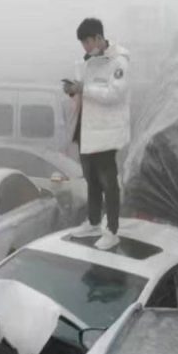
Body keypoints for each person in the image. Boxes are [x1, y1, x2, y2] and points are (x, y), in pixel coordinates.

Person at [62, 17, 130, 250]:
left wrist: (85, 89)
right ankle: (93, 221)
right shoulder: (86, 62)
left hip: (105, 133)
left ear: (99, 38)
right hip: (86, 129)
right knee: (91, 180)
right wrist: (73, 90)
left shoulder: (118, 61)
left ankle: (112, 230)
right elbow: (85, 92)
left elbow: (115, 94)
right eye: (83, 44)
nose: (86, 48)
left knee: (108, 182)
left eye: (88, 42)